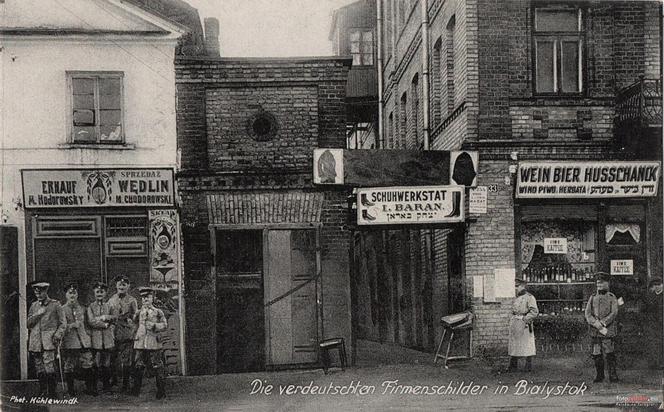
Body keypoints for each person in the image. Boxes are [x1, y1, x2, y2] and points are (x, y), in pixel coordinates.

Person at [26, 281, 66, 398]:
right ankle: (43, 391)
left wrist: (58, 335)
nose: (38, 294)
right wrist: (37, 314)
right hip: (36, 341)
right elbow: (28, 324)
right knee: (39, 367)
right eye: (36, 292)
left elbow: (63, 323)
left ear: (46, 291)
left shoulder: (55, 305)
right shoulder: (34, 306)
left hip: (49, 341)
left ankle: (52, 393)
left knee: (49, 365)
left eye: (40, 292)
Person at [132, 287, 167, 399]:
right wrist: (135, 334)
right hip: (140, 342)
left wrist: (155, 326)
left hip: (153, 341)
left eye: (148, 297)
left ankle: (161, 390)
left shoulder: (158, 312)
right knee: (138, 364)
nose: (145, 299)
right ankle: (136, 389)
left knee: (157, 365)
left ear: (153, 298)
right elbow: (134, 324)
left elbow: (164, 325)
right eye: (143, 297)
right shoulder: (138, 312)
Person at [60, 283, 96, 396]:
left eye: (74, 293)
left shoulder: (83, 308)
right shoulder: (61, 309)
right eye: (70, 293)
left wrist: (88, 334)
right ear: (66, 295)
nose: (72, 295)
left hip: (83, 340)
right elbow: (59, 326)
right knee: (69, 364)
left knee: (87, 362)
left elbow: (88, 323)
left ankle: (89, 387)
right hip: (70, 341)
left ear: (77, 294)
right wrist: (70, 326)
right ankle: (71, 390)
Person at [585, 272, 619, 382]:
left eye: (602, 283)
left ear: (607, 283)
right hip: (595, 330)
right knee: (596, 352)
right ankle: (599, 375)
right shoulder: (592, 297)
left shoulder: (612, 297)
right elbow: (588, 313)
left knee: (609, 351)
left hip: (607, 329)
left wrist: (603, 323)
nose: (599, 285)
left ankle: (612, 375)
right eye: (598, 283)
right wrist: (595, 323)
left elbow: (614, 313)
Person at [108, 275, 138, 392]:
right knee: (113, 358)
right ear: (116, 286)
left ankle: (125, 383)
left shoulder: (132, 300)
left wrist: (132, 322)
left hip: (126, 333)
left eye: (124, 284)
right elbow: (109, 315)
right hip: (114, 333)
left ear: (128, 286)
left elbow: (135, 317)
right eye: (120, 284)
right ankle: (114, 380)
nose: (122, 286)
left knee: (126, 360)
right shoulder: (111, 300)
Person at [87, 282, 117, 392]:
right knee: (96, 363)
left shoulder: (109, 306)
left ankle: (106, 386)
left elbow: (114, 318)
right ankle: (94, 387)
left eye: (102, 292)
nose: (99, 294)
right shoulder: (91, 306)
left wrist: (105, 316)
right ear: (94, 293)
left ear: (105, 293)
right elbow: (91, 321)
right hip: (96, 339)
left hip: (108, 339)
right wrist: (104, 323)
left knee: (107, 363)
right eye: (97, 292)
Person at [507, 277, 539, 372]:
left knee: (527, 345)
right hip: (515, 322)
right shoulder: (515, 298)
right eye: (514, 286)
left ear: (523, 286)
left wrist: (525, 319)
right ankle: (513, 366)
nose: (515, 288)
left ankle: (528, 366)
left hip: (524, 324)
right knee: (514, 344)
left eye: (517, 286)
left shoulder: (529, 297)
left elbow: (534, 311)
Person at [643, 277, 663, 369]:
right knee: (654, 343)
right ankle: (655, 363)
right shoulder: (650, 296)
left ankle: (661, 363)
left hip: (662, 323)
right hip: (653, 323)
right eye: (655, 285)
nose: (658, 287)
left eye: (659, 284)